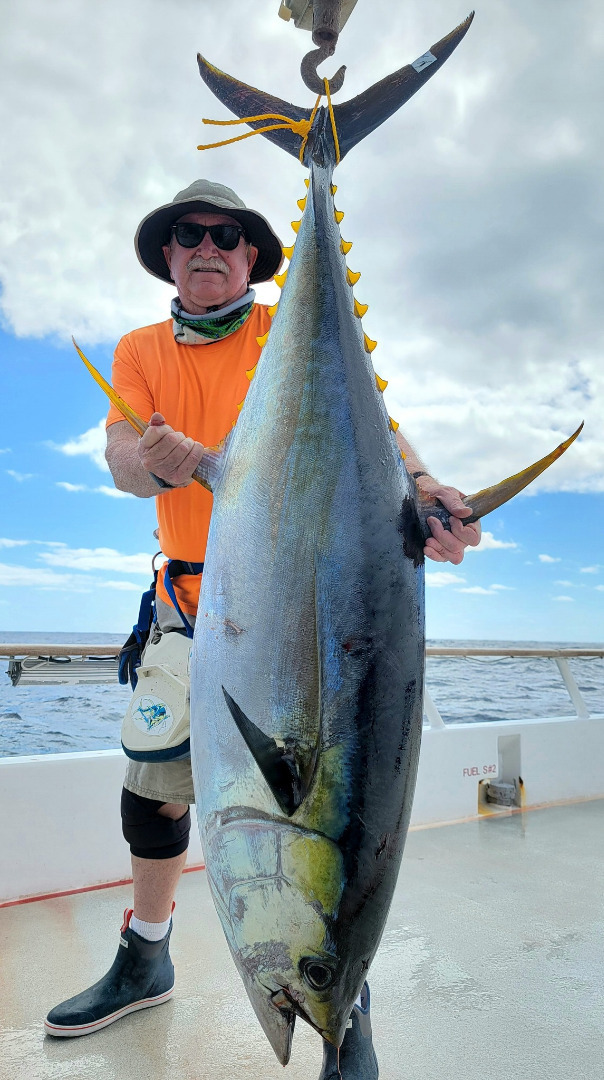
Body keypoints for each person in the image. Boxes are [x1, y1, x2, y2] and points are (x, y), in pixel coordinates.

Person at [44, 180, 481, 1071]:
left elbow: (379, 441)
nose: (208, 247)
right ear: (168, 255)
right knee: (154, 794)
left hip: (312, 615)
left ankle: (343, 1001)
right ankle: (147, 956)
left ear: (252, 255)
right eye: (188, 235)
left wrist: (429, 489)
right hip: (193, 608)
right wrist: (161, 465)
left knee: (346, 798)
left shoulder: (291, 332)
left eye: (229, 236)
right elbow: (125, 459)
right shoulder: (138, 352)